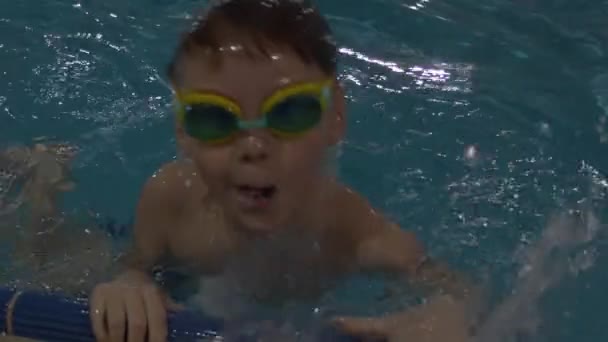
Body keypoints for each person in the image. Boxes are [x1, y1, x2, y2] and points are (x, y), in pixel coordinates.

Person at [89, 1, 481, 341]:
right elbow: (135, 267)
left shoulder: (349, 232)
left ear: (335, 115)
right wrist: (130, 286)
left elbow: (458, 290)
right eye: (213, 118)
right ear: (183, 133)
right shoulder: (170, 201)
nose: (254, 146)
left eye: (290, 112)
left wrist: (445, 314)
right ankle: (42, 172)